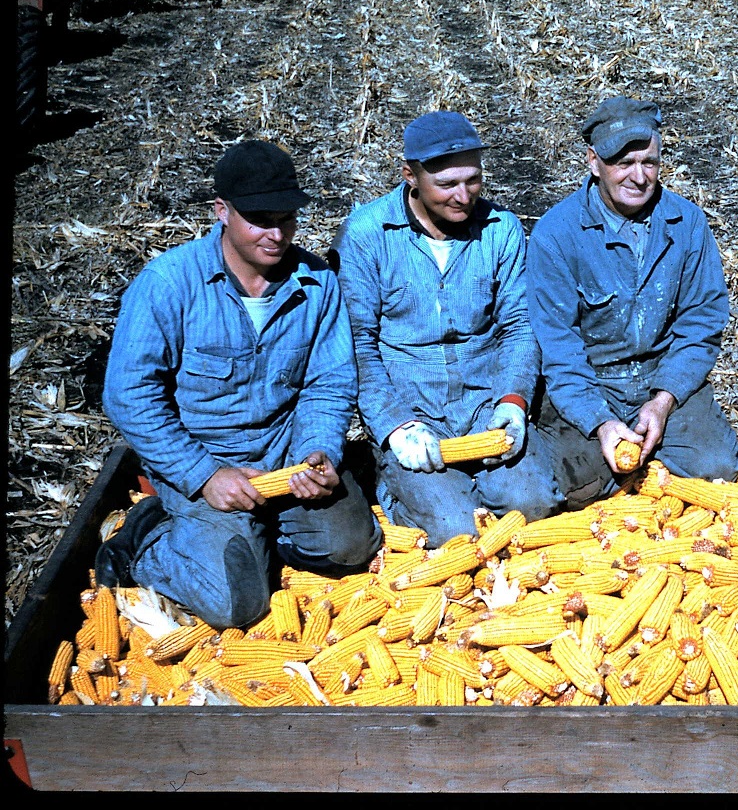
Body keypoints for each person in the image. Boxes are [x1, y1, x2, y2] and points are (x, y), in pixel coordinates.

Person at [97, 139, 382, 630]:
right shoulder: (170, 283)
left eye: (286, 219)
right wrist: (205, 475)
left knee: (352, 547)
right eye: (260, 220)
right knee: (237, 605)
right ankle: (144, 541)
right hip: (203, 463)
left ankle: (253, 538)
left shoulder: (317, 283)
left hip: (284, 459)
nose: (276, 234)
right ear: (222, 211)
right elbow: (129, 395)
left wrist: (317, 452)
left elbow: (328, 383)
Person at [331, 111, 564, 545]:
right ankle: (395, 488)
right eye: (447, 184)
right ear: (410, 175)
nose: (463, 195)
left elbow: (518, 326)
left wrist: (513, 401)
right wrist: (396, 425)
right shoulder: (366, 234)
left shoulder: (502, 230)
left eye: (473, 180)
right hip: (412, 405)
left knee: (534, 506)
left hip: (484, 400)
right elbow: (356, 343)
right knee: (456, 528)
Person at [527, 96, 738, 505]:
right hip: (593, 381)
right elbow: (559, 348)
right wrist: (599, 421)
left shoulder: (688, 222)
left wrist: (664, 401)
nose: (639, 176)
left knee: (717, 470)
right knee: (577, 490)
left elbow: (701, 323)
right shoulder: (557, 233)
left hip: (662, 377)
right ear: (594, 163)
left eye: (650, 162)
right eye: (623, 163)